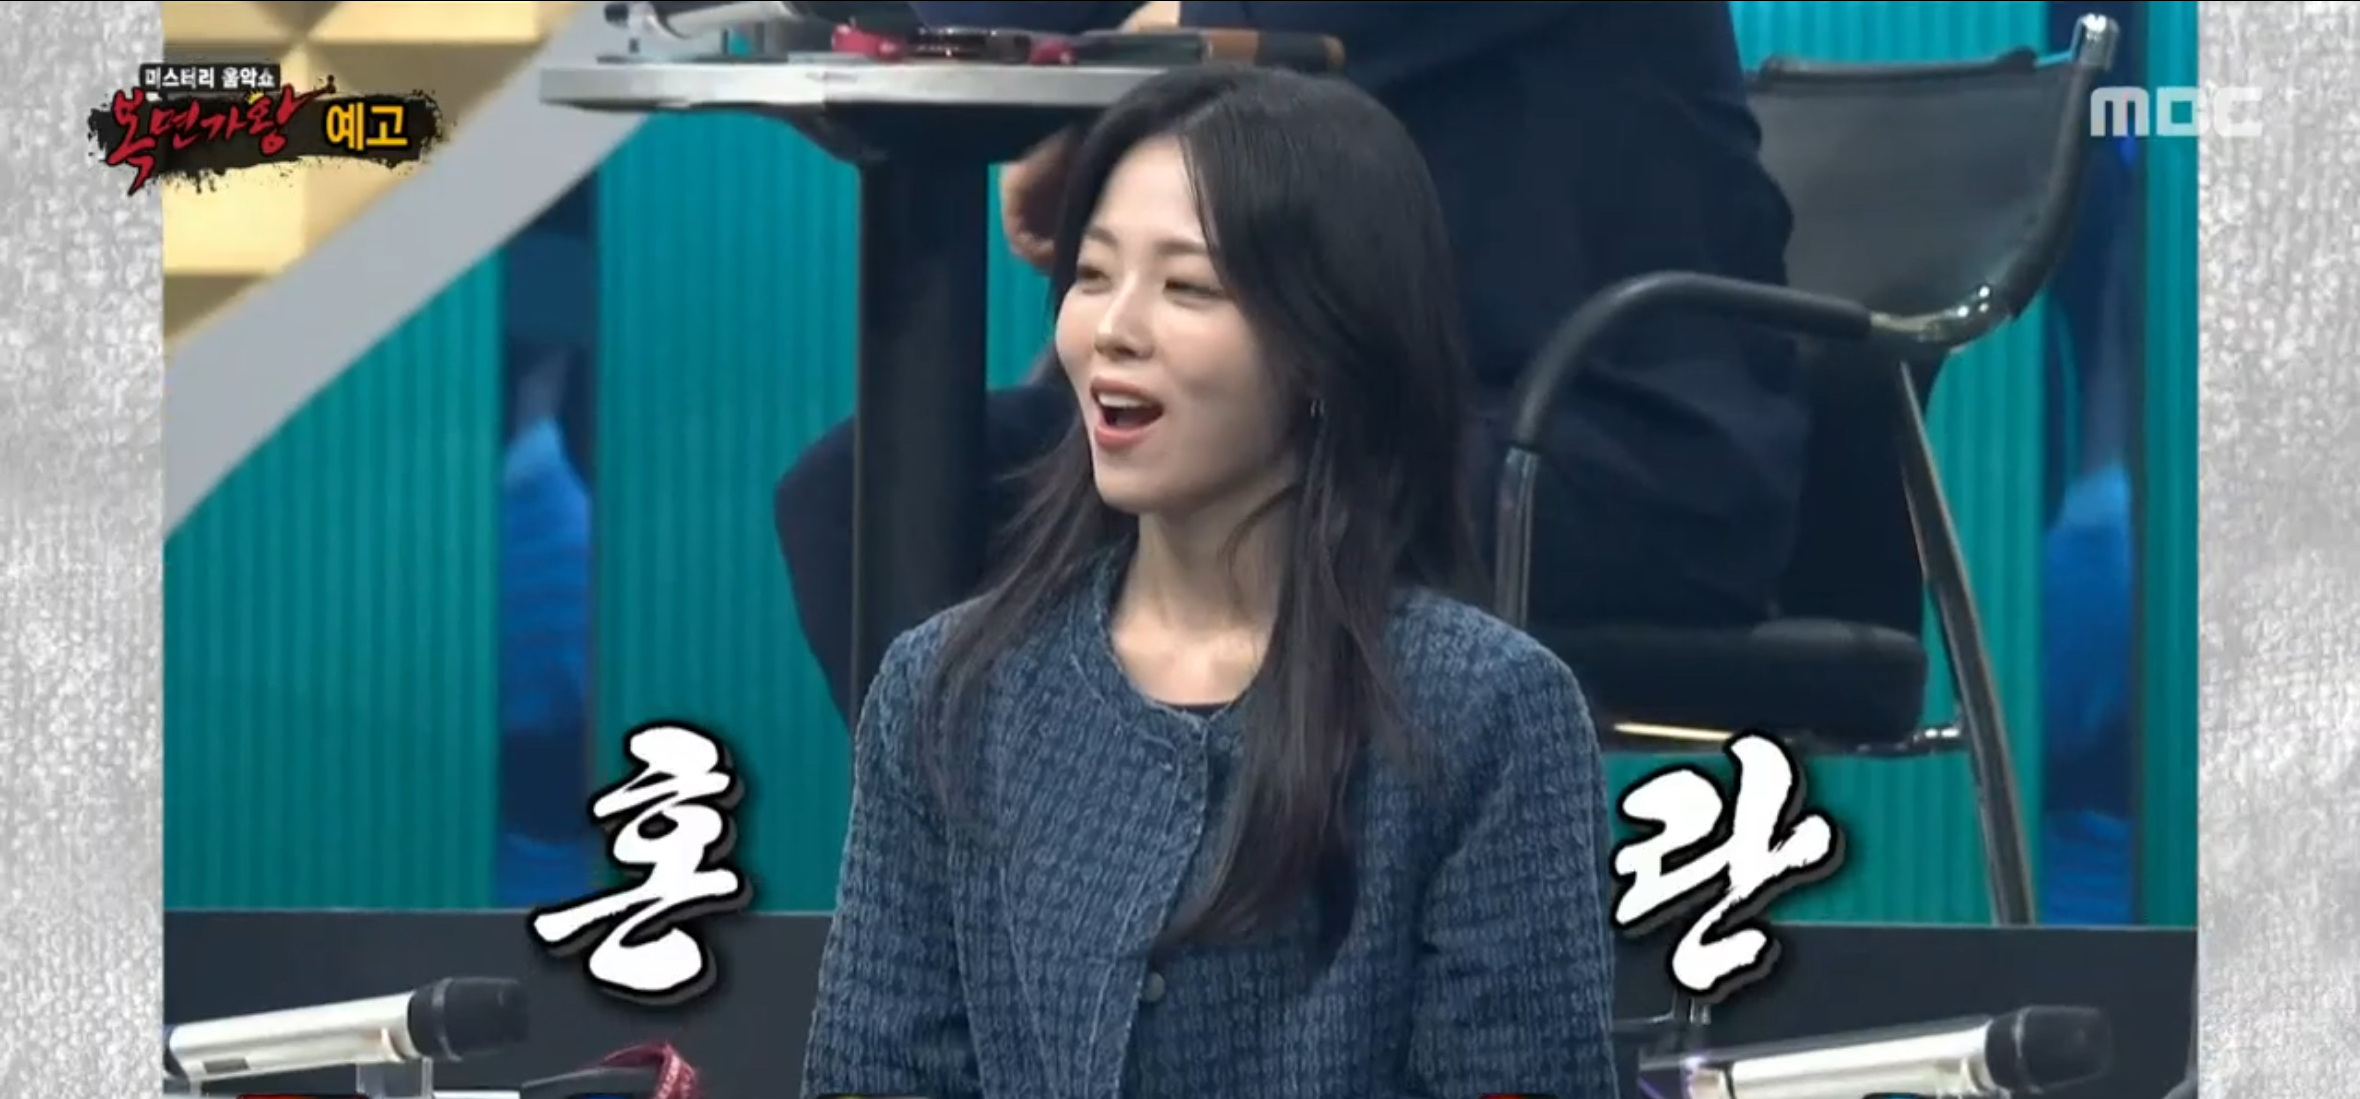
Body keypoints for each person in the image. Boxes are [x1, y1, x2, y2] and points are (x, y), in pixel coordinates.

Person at [800, 68, 1617, 1099]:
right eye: (1092, 275)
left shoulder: (1485, 708)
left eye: (1187, 287)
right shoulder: (946, 689)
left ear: (1325, 342)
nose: (1113, 329)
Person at [775, 0, 1802, 723]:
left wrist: (1110, 87)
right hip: (1324, 411)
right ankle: (996, 920)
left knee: (1235, 506)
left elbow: (1231, 25)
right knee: (865, 498)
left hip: (1612, 446)